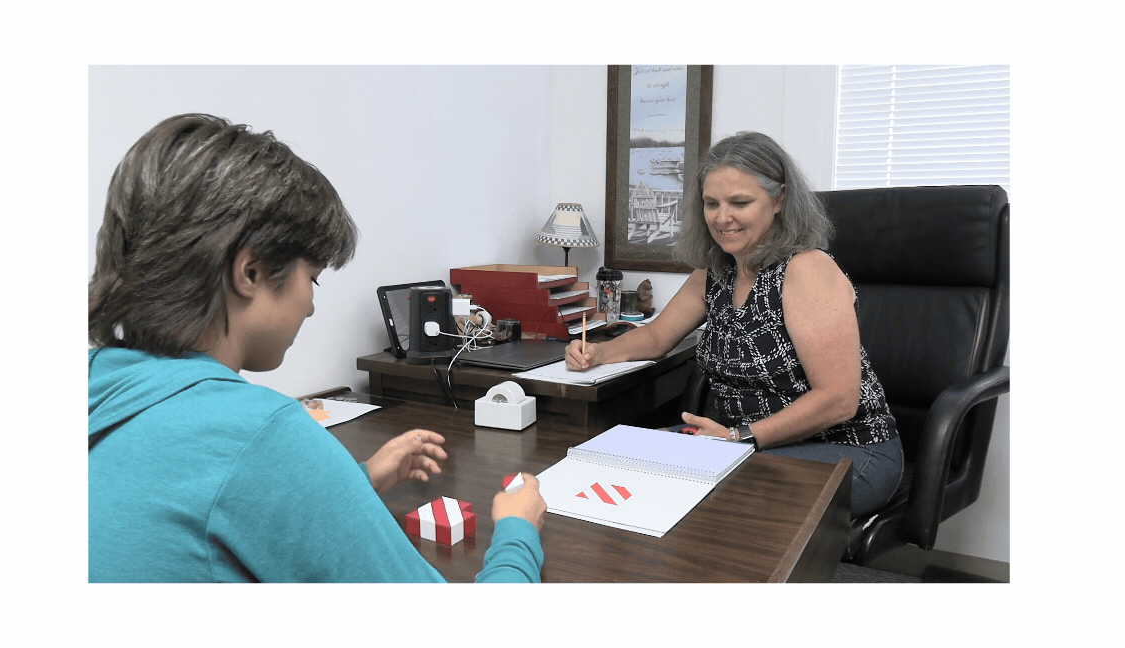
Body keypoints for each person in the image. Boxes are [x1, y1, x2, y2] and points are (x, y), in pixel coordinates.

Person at [88, 114, 546, 582]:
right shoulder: (260, 437)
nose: (309, 306)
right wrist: (517, 532)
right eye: (313, 278)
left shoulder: (97, 388)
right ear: (250, 273)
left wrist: (352, 484)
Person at [566, 132, 902, 519]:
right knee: (615, 462)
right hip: (740, 444)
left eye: (740, 202)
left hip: (852, 450)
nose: (721, 217)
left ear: (779, 200)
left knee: (705, 505)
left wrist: (738, 438)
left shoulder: (807, 269)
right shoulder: (717, 270)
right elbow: (659, 336)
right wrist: (596, 352)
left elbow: (838, 400)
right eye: (711, 203)